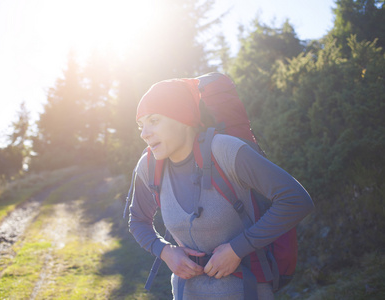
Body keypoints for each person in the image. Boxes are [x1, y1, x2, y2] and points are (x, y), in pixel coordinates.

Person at [128, 78, 314, 299]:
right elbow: (138, 220)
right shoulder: (149, 166)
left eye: (154, 120)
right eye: (141, 125)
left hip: (247, 291)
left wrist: (238, 249)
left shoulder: (224, 151)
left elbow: (295, 199)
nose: (144, 133)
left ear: (183, 117)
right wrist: (166, 252)